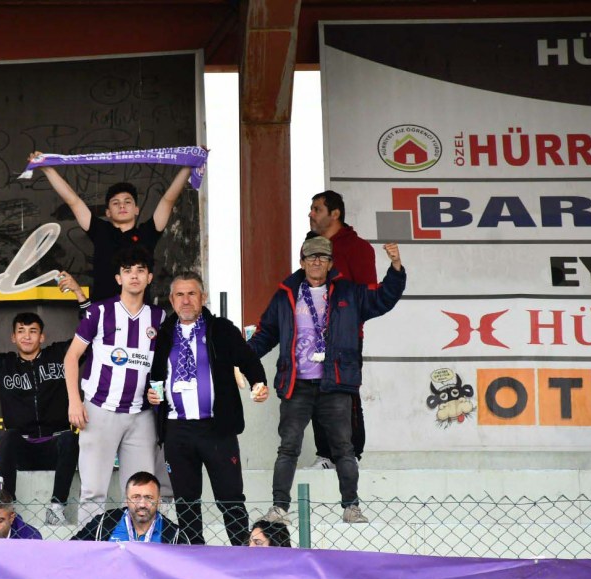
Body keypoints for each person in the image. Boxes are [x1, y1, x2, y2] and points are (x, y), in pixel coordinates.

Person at [249, 236, 406, 524]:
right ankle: (279, 509)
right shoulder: (286, 294)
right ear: (302, 262)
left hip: (334, 383)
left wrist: (395, 266)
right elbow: (265, 334)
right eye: (311, 257)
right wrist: (241, 358)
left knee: (343, 448)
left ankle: (351, 507)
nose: (317, 262)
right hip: (296, 384)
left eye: (323, 257)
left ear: (331, 263)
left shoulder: (349, 292)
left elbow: (384, 297)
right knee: (288, 448)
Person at [146, 271, 268, 546]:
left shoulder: (221, 329)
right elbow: (154, 376)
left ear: (203, 297)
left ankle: (241, 554)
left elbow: (249, 360)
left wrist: (259, 384)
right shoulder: (162, 334)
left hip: (217, 429)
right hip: (177, 429)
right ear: (171, 300)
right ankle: (195, 559)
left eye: (192, 293)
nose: (186, 300)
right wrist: (151, 393)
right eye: (180, 295)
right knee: (186, 502)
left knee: (230, 498)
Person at [0, 272, 87, 526]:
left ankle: (56, 507)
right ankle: (7, 507)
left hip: (55, 446)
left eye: (33, 331)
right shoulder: (3, 364)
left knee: (70, 438)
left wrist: (79, 294)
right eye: (21, 331)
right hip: (23, 449)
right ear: (13, 337)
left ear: (42, 337)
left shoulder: (61, 355)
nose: (27, 336)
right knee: (9, 436)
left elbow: (89, 335)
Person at [64, 245, 171, 527]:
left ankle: (138, 545)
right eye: (127, 271)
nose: (134, 276)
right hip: (100, 409)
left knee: (141, 494)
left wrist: (158, 393)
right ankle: (91, 546)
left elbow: (163, 366)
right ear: (118, 278)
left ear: (149, 277)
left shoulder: (159, 318)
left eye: (140, 270)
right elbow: (71, 357)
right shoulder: (100, 312)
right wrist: (75, 401)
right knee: (93, 491)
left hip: (141, 415)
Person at [29, 151, 192, 302]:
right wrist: (46, 168)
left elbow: (168, 200)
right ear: (108, 212)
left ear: (136, 209)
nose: (122, 206)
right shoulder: (100, 230)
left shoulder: (147, 232)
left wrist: (189, 165)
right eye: (116, 203)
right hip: (102, 311)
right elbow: (73, 201)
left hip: (139, 312)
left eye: (127, 202)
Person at [306, 190, 378, 468]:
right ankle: (325, 455)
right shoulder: (312, 246)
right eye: (312, 209)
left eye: (317, 209)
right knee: (315, 391)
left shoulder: (358, 248)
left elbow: (369, 297)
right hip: (312, 336)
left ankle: (350, 455)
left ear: (335, 214)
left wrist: (345, 321)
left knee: (345, 393)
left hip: (345, 337)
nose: (311, 214)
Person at [73, 472, 187, 544]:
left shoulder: (175, 535)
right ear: (127, 499)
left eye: (149, 497)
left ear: (158, 501)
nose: (142, 504)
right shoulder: (104, 522)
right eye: (136, 497)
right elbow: (74, 549)